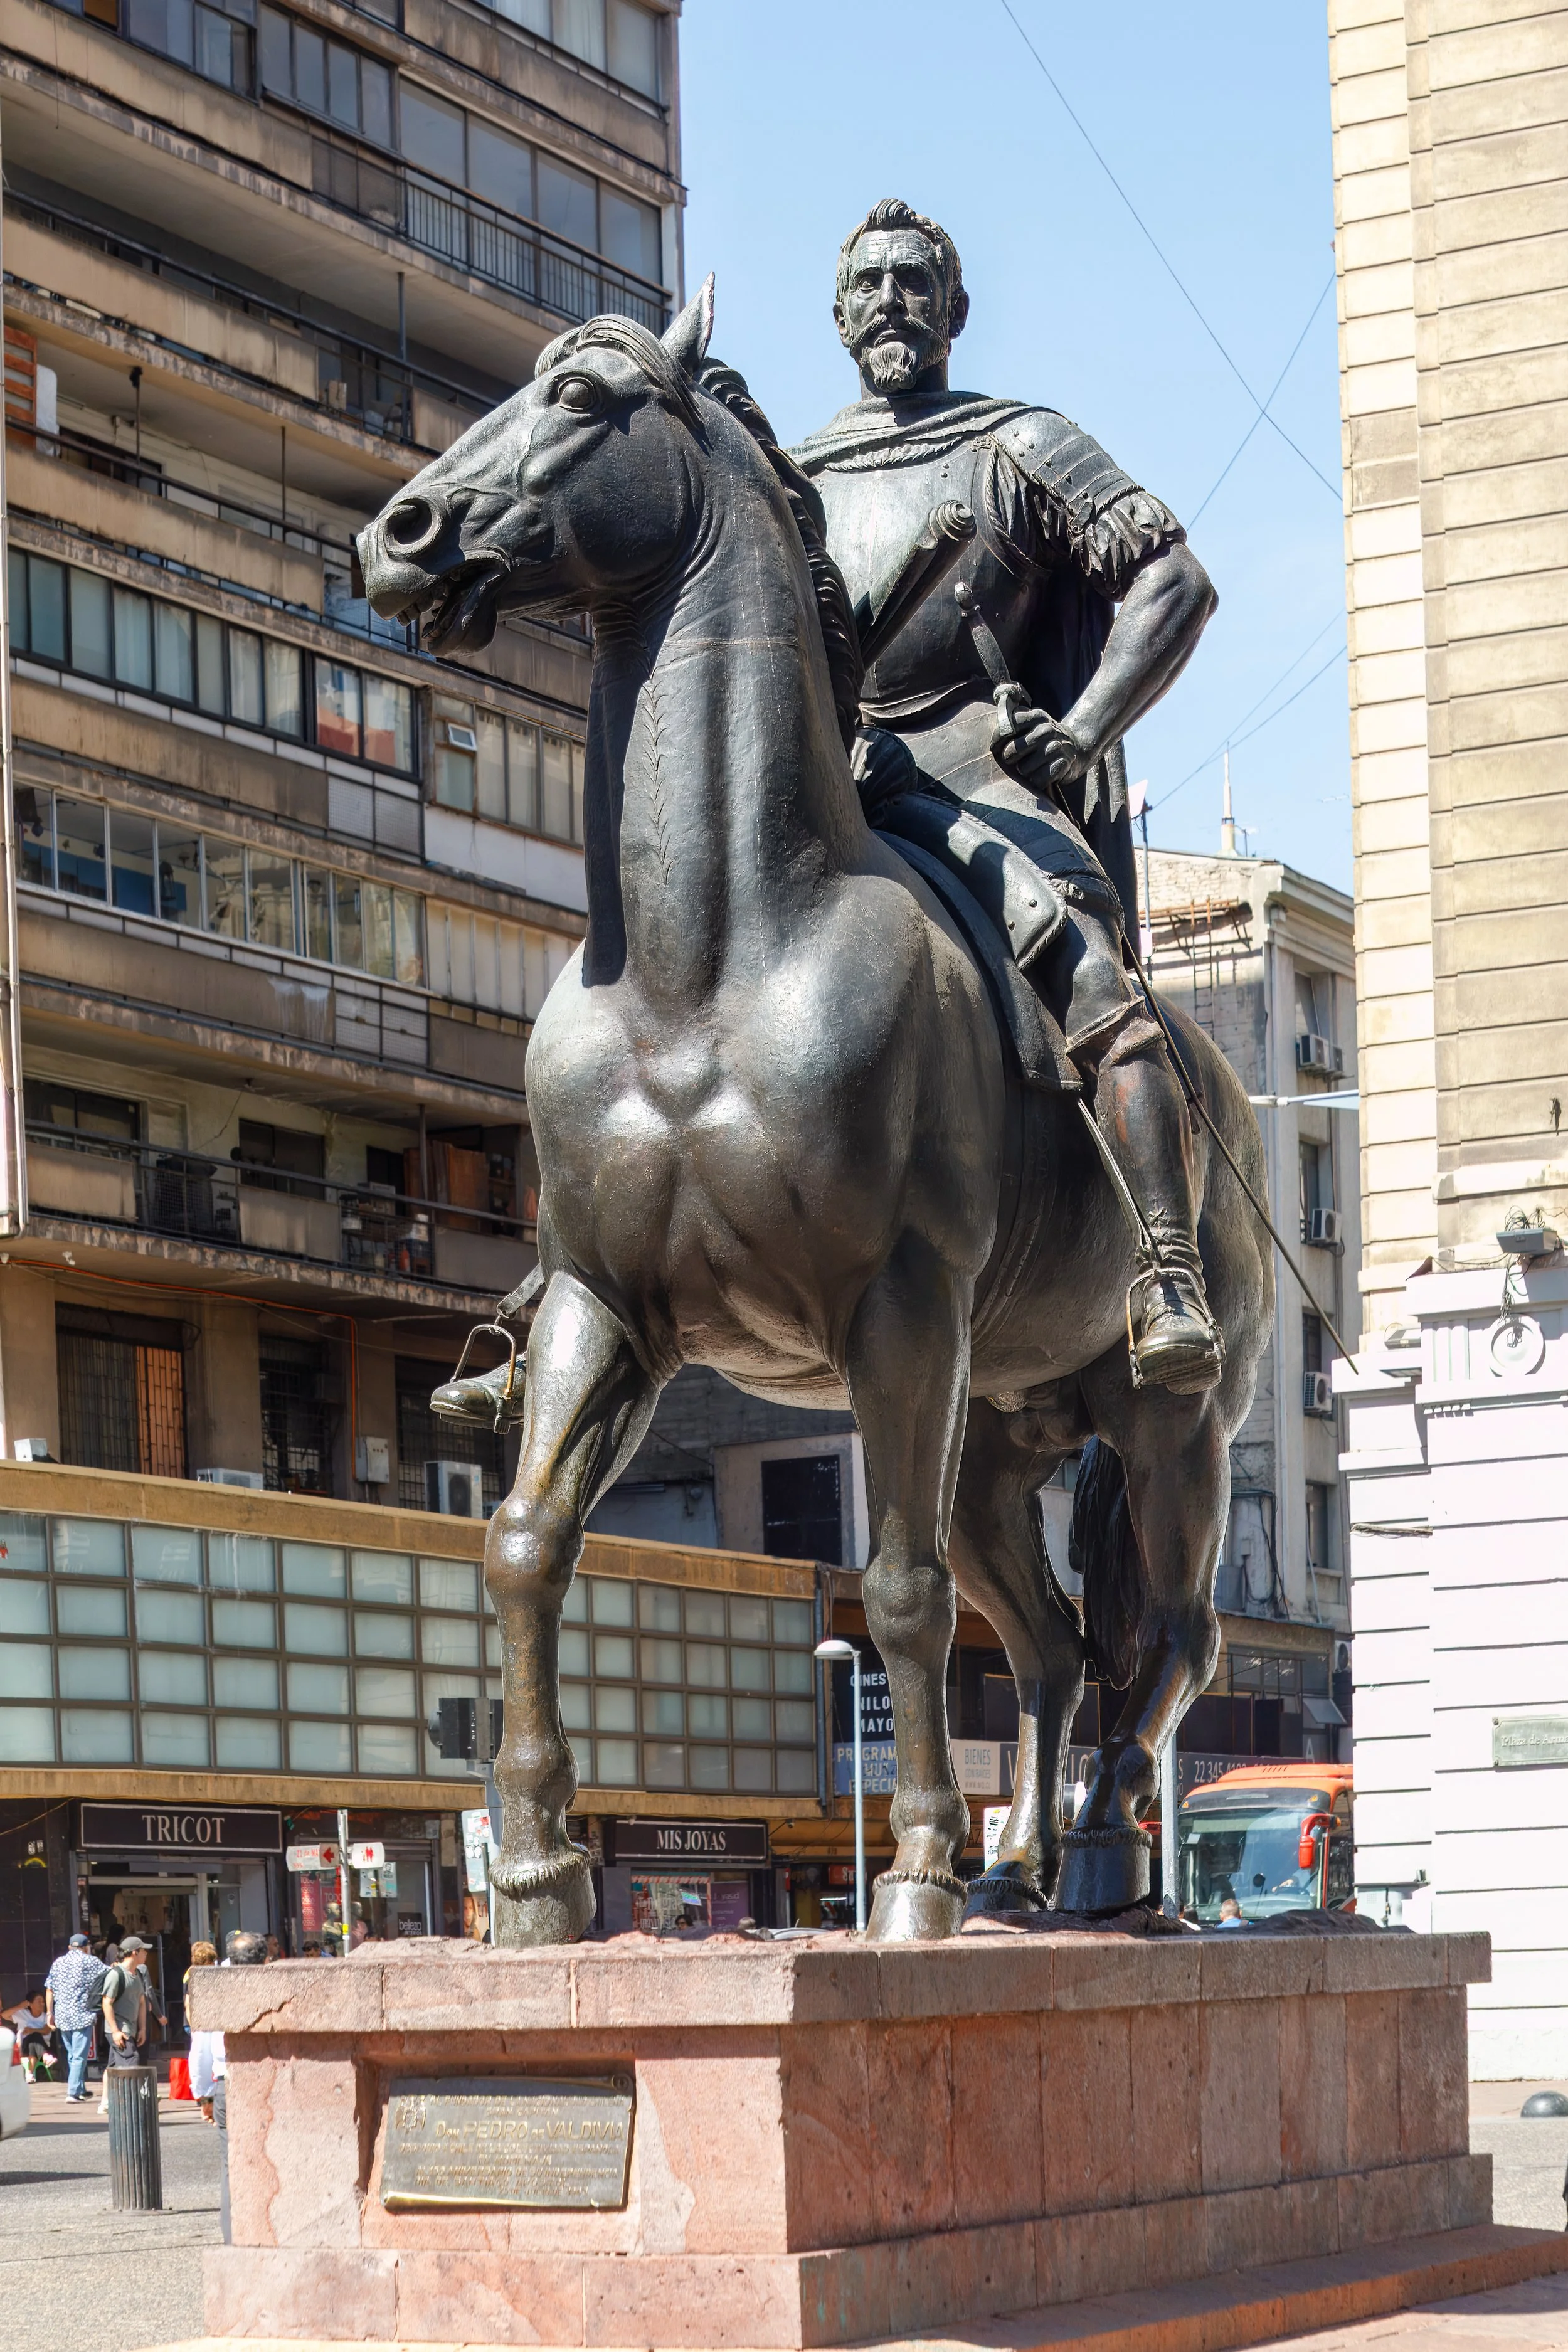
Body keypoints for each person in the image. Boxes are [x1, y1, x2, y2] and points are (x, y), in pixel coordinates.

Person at [788, 199, 1223, 1395]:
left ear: (957, 311)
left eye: (915, 282)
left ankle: (1166, 1268)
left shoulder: (1022, 444)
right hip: (834, 778)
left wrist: (1081, 734)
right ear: (837, 316)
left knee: (1089, 974)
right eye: (869, 283)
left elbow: (1173, 582)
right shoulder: (793, 479)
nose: (892, 300)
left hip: (977, 769)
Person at [196, 1930, 268, 2243]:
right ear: (264, 1958)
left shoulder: (214, 1987)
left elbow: (201, 2047)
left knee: (230, 2164)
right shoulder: (273, 1984)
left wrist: (204, 2096)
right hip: (267, 2082)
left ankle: (232, 2237)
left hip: (226, 2082)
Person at [45, 1931, 105, 2104]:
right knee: (79, 2056)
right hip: (82, 2015)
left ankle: (80, 2090)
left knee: (73, 2055)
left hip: (63, 2016)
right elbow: (111, 1975)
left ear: (70, 1947)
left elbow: (50, 1989)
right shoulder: (91, 1961)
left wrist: (49, 2013)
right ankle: (72, 2093)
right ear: (86, 1947)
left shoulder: (58, 1963)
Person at [98, 1934, 150, 2112]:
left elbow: (142, 2002)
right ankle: (132, 2103)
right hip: (120, 2030)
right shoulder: (116, 1975)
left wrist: (143, 2028)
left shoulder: (138, 1974)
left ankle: (106, 2103)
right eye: (144, 1951)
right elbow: (107, 2002)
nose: (146, 1954)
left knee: (113, 2067)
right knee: (131, 2062)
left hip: (131, 2028)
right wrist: (115, 2031)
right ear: (135, 1952)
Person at [4, 1991, 57, 2082]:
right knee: (32, 2038)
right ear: (31, 2004)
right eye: (39, 2001)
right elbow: (4, 2015)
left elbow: (46, 2030)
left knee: (34, 2038)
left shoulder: (46, 2017)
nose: (42, 2004)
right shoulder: (23, 2014)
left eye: (43, 2001)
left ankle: (29, 2073)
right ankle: (45, 2057)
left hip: (42, 2046)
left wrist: (32, 2030)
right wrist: (20, 2006)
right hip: (23, 2047)